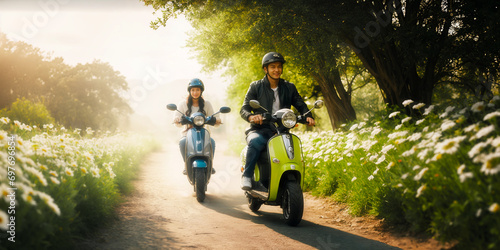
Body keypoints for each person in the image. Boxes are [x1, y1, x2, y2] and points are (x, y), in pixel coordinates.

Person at [239, 52, 315, 190]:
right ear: (265, 69)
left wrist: (308, 116)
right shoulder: (256, 86)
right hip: (260, 129)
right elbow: (244, 109)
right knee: (256, 141)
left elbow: (300, 104)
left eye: (279, 66)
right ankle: (247, 175)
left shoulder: (289, 87)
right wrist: (251, 117)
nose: (276, 70)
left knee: (291, 150)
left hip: (281, 129)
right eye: (272, 66)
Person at [173, 78, 221, 174]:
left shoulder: (207, 104)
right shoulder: (182, 104)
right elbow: (176, 119)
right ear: (189, 91)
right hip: (187, 133)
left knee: (211, 141)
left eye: (197, 90)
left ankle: (210, 164)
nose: (195, 92)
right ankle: (186, 164)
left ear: (201, 91)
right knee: (182, 142)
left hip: (204, 133)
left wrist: (216, 120)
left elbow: (216, 118)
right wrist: (177, 120)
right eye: (193, 90)